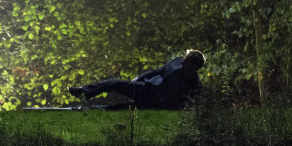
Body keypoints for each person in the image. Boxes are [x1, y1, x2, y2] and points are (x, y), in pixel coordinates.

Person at [68, 49, 206, 110]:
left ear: (194, 67)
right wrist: (138, 78)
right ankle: (82, 91)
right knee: (115, 83)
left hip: (154, 105)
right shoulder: (177, 62)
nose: (182, 63)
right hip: (145, 89)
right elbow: (157, 71)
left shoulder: (195, 85)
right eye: (184, 60)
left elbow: (187, 105)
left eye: (186, 63)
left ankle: (87, 111)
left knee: (116, 110)